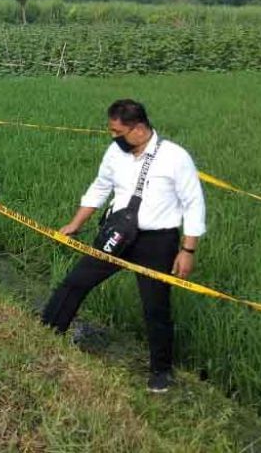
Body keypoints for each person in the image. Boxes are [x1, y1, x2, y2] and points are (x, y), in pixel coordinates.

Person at [41, 99, 205, 393]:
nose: (113, 138)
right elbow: (100, 187)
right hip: (117, 234)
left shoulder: (175, 157)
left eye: (118, 132)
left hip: (157, 241)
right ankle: (44, 333)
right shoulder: (116, 154)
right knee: (76, 281)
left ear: (139, 129)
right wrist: (75, 223)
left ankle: (161, 371)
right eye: (111, 131)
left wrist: (187, 249)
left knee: (155, 306)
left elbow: (194, 204)